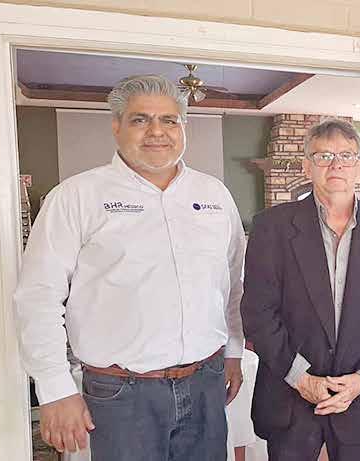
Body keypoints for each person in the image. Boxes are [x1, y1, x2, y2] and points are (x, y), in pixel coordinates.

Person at [14, 74, 245, 461]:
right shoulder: (76, 197)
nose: (157, 131)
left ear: (183, 127)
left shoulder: (214, 195)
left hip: (206, 382)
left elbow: (234, 281)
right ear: (116, 126)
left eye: (169, 120)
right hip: (121, 393)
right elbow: (38, 296)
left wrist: (234, 350)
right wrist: (54, 388)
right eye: (140, 119)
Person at [241, 119, 360, 461]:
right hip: (289, 398)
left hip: (358, 400)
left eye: (346, 156)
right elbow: (258, 313)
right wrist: (301, 379)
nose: (335, 165)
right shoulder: (271, 227)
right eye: (323, 156)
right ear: (307, 167)